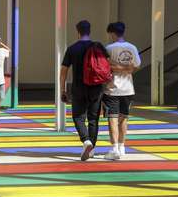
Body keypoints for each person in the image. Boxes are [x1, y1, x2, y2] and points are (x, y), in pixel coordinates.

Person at [60, 20, 106, 161]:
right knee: (93, 119)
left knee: (78, 117)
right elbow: (107, 68)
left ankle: (86, 141)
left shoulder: (72, 49)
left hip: (78, 88)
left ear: (78, 32)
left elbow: (64, 71)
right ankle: (91, 148)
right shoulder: (98, 47)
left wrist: (63, 89)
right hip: (97, 88)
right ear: (89, 31)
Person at [103, 22, 141, 160]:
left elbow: (105, 66)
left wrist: (116, 67)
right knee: (124, 118)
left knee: (112, 118)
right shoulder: (132, 47)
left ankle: (114, 149)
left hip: (112, 88)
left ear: (112, 33)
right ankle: (122, 146)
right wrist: (126, 68)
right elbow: (136, 66)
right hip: (128, 88)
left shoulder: (109, 48)